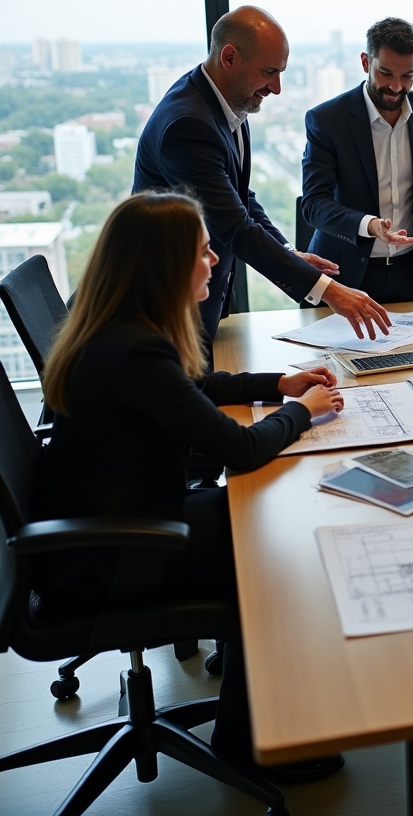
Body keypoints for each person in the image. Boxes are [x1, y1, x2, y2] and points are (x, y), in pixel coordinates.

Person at [36, 191, 346, 781]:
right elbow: (241, 449)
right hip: (112, 553)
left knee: (261, 523)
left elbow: (194, 385)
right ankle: (251, 739)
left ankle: (253, 708)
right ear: (167, 265)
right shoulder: (135, 350)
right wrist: (304, 409)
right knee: (274, 546)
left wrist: (279, 382)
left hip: (107, 523)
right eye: (205, 252)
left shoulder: (121, 331)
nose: (215, 260)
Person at [134, 4, 390, 343]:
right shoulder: (189, 125)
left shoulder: (226, 102)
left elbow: (239, 196)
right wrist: (330, 292)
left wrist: (287, 250)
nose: (277, 87)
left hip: (199, 302)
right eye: (269, 71)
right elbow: (235, 227)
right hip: (164, 311)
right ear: (229, 58)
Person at [301, 17, 413, 303]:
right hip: (342, 273)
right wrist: (368, 224)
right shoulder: (327, 120)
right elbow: (313, 205)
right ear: (365, 62)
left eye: (407, 76)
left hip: (409, 271)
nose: (396, 87)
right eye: (385, 74)